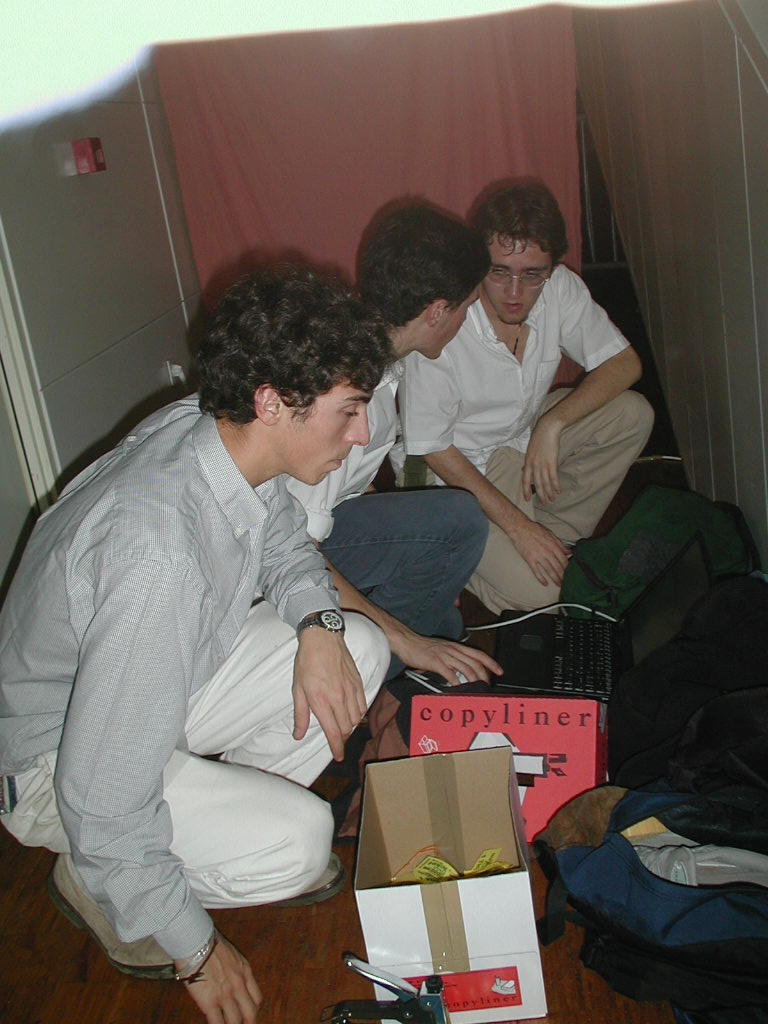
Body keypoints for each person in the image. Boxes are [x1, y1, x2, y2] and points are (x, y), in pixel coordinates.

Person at [0, 268, 393, 1024]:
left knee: (359, 648)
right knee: (302, 844)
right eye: (348, 411)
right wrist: (196, 949)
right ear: (272, 403)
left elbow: (282, 536)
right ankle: (108, 883)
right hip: (59, 770)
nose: (363, 434)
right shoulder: (159, 560)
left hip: (140, 690)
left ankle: (190, 832)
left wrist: (319, 624)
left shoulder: (211, 426)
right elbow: (100, 800)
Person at [400, 179, 654, 614]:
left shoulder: (560, 288)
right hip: (454, 477)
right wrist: (518, 528)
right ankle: (458, 555)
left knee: (633, 414)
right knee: (550, 595)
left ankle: (550, 536)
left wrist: (553, 424)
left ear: (551, 268)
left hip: (520, 443)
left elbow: (625, 363)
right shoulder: (445, 318)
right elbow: (433, 449)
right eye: (499, 272)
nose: (515, 293)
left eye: (532, 275)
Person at [286, 203, 502, 685]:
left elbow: (346, 484)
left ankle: (396, 654)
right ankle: (368, 678)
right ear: (437, 311)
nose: (466, 319)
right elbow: (294, 548)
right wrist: (407, 641)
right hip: (278, 559)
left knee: (443, 621)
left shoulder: (375, 354)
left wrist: (417, 555)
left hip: (316, 526)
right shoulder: (349, 390)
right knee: (460, 525)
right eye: (466, 307)